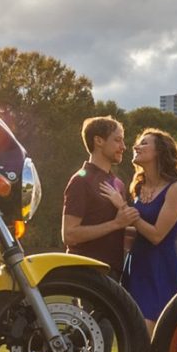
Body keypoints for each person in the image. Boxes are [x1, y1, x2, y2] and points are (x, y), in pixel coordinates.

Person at [98, 128, 177, 330]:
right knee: (133, 333)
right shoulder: (138, 187)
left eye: (144, 143)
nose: (136, 146)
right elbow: (136, 230)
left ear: (159, 152)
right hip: (136, 267)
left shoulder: (176, 188)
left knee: (149, 335)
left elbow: (157, 235)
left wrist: (122, 207)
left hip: (160, 270)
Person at [61, 116, 140, 279]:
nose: (123, 147)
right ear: (99, 141)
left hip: (114, 273)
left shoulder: (117, 183)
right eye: (117, 140)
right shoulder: (80, 180)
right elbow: (69, 235)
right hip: (88, 274)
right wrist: (116, 224)